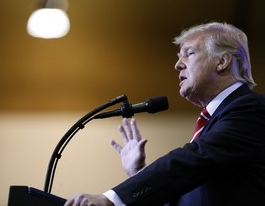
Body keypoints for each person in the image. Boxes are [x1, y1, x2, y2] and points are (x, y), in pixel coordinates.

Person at [65, 22, 265, 206]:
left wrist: (112, 199)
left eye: (189, 53)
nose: (178, 64)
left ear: (222, 61)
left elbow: (194, 160)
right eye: (179, 57)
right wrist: (138, 174)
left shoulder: (251, 109)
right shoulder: (216, 123)